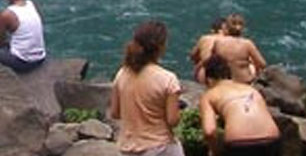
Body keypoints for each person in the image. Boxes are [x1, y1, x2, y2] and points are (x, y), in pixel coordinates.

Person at [110, 21, 182, 156]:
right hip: (160, 147)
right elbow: (173, 121)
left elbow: (115, 113)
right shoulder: (168, 79)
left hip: (128, 148)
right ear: (160, 47)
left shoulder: (122, 74)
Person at [199, 57, 280, 156]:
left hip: (240, 143)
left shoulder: (209, 95)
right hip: (271, 138)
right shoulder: (251, 89)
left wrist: (215, 151)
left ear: (209, 79)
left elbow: (209, 131)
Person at [208, 14, 268, 84]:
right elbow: (262, 64)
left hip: (226, 82)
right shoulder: (247, 43)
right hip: (244, 81)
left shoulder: (218, 43)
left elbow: (212, 61)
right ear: (242, 28)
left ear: (226, 27)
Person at [188, 17, 228, 83]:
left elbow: (193, 56)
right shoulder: (229, 40)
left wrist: (199, 62)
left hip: (203, 73)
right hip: (222, 73)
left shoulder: (204, 38)